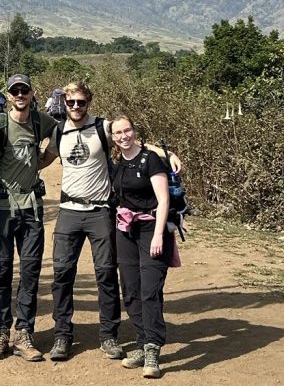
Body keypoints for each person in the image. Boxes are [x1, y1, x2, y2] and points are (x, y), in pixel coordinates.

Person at [40, 81, 181, 363]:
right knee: (62, 273)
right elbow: (42, 160)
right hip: (68, 210)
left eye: (81, 102)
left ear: (88, 102)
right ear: (64, 104)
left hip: (100, 211)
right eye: (71, 102)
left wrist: (167, 153)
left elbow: (130, 141)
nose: (76, 107)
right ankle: (62, 335)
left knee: (105, 273)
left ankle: (108, 335)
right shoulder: (59, 131)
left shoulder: (102, 127)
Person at [0, 74, 59, 363]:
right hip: (2, 209)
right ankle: (1, 333)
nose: (19, 94)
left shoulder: (41, 121)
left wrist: (45, 158)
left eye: (23, 90)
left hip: (32, 210)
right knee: (2, 270)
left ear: (31, 93)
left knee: (30, 272)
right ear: (8, 95)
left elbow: (65, 130)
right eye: (14, 90)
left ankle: (24, 333)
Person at [111, 116, 174, 379]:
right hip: (126, 230)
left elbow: (163, 199)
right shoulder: (117, 163)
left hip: (152, 229)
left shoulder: (151, 160)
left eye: (127, 130)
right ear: (113, 137)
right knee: (130, 289)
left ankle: (152, 348)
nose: (123, 136)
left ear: (135, 132)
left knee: (150, 291)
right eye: (118, 133)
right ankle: (141, 341)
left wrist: (159, 235)